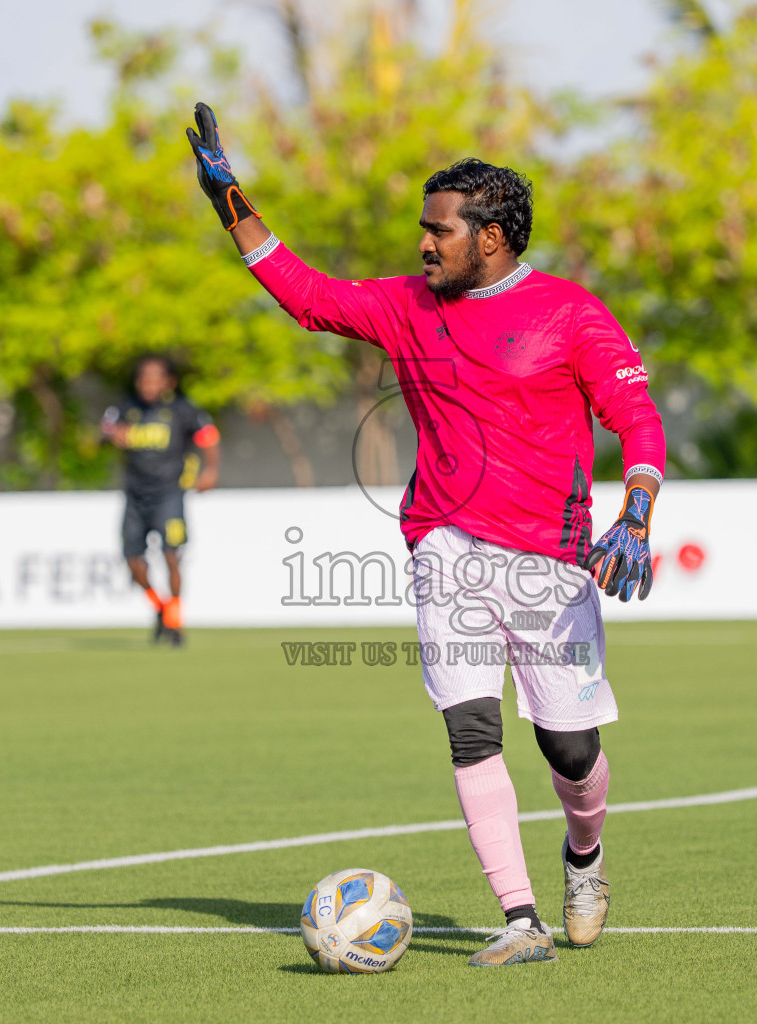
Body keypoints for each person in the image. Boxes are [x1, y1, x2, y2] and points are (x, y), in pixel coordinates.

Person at [187, 104, 663, 965]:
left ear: (490, 238)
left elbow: (637, 417)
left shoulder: (572, 314)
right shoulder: (406, 307)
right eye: (423, 229)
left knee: (570, 746)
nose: (423, 244)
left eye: (438, 230)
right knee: (471, 729)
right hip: (444, 545)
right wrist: (233, 206)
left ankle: (584, 854)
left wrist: (636, 510)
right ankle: (521, 918)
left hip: (552, 565)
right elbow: (307, 296)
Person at [102, 355, 220, 646]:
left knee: (172, 556)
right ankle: (160, 607)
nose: (149, 384)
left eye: (155, 378)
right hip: (135, 495)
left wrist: (210, 471)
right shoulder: (125, 408)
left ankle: (175, 623)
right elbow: (103, 431)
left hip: (169, 494)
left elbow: (209, 437)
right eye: (144, 378)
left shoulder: (183, 409)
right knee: (133, 561)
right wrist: (111, 436)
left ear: (169, 382)